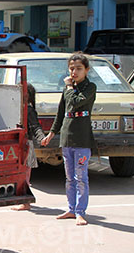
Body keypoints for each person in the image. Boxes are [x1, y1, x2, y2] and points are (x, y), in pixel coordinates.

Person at [41, 53, 96, 226]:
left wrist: (70, 87)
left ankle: (80, 212)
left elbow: (76, 102)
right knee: (69, 177)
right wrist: (51, 134)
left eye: (79, 68)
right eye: (72, 68)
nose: (74, 72)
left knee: (81, 177)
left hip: (82, 138)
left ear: (86, 70)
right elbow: (61, 113)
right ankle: (71, 209)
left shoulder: (89, 87)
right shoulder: (68, 89)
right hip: (67, 138)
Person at [13, 83, 45, 211]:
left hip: (26, 145)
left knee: (24, 175)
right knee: (21, 175)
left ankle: (25, 202)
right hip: (19, 145)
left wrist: (41, 138)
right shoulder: (17, 108)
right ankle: (23, 200)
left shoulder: (29, 110)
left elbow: (36, 127)